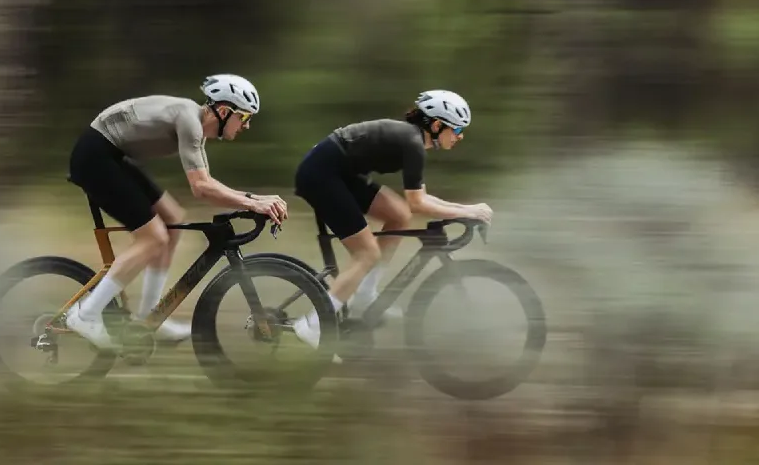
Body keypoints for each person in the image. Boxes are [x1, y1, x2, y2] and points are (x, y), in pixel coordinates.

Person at [64, 74, 289, 350]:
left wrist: (255, 199)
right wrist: (255, 202)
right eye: (244, 117)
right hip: (95, 157)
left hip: (111, 155)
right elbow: (202, 188)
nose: (248, 125)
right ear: (223, 111)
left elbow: (208, 186)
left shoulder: (194, 126)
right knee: (154, 238)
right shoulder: (189, 121)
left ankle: (149, 318)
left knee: (173, 218)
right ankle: (85, 315)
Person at [291, 89, 493, 349]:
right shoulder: (412, 143)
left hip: (337, 172)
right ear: (436, 124)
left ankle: (364, 294)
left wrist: (467, 209)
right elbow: (419, 203)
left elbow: (419, 199)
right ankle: (312, 325)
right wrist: (467, 211)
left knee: (399, 214)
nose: (460, 136)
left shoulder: (412, 140)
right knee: (367, 254)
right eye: (456, 130)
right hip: (321, 176)